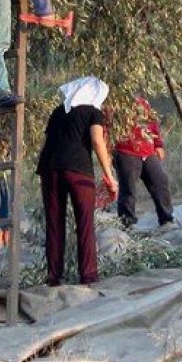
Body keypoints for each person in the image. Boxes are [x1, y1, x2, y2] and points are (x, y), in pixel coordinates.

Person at [35, 76, 118, 286]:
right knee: (85, 223)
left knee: (54, 224)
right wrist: (109, 174)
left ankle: (53, 276)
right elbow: (97, 141)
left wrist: (44, 168)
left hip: (50, 169)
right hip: (78, 169)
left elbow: (44, 145)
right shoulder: (93, 112)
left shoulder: (58, 112)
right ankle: (88, 275)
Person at [112, 97, 176, 230]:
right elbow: (108, 129)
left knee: (161, 182)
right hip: (126, 151)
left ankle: (166, 219)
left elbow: (151, 122)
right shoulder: (114, 103)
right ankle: (127, 224)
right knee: (128, 189)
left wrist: (158, 144)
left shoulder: (143, 102)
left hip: (148, 150)